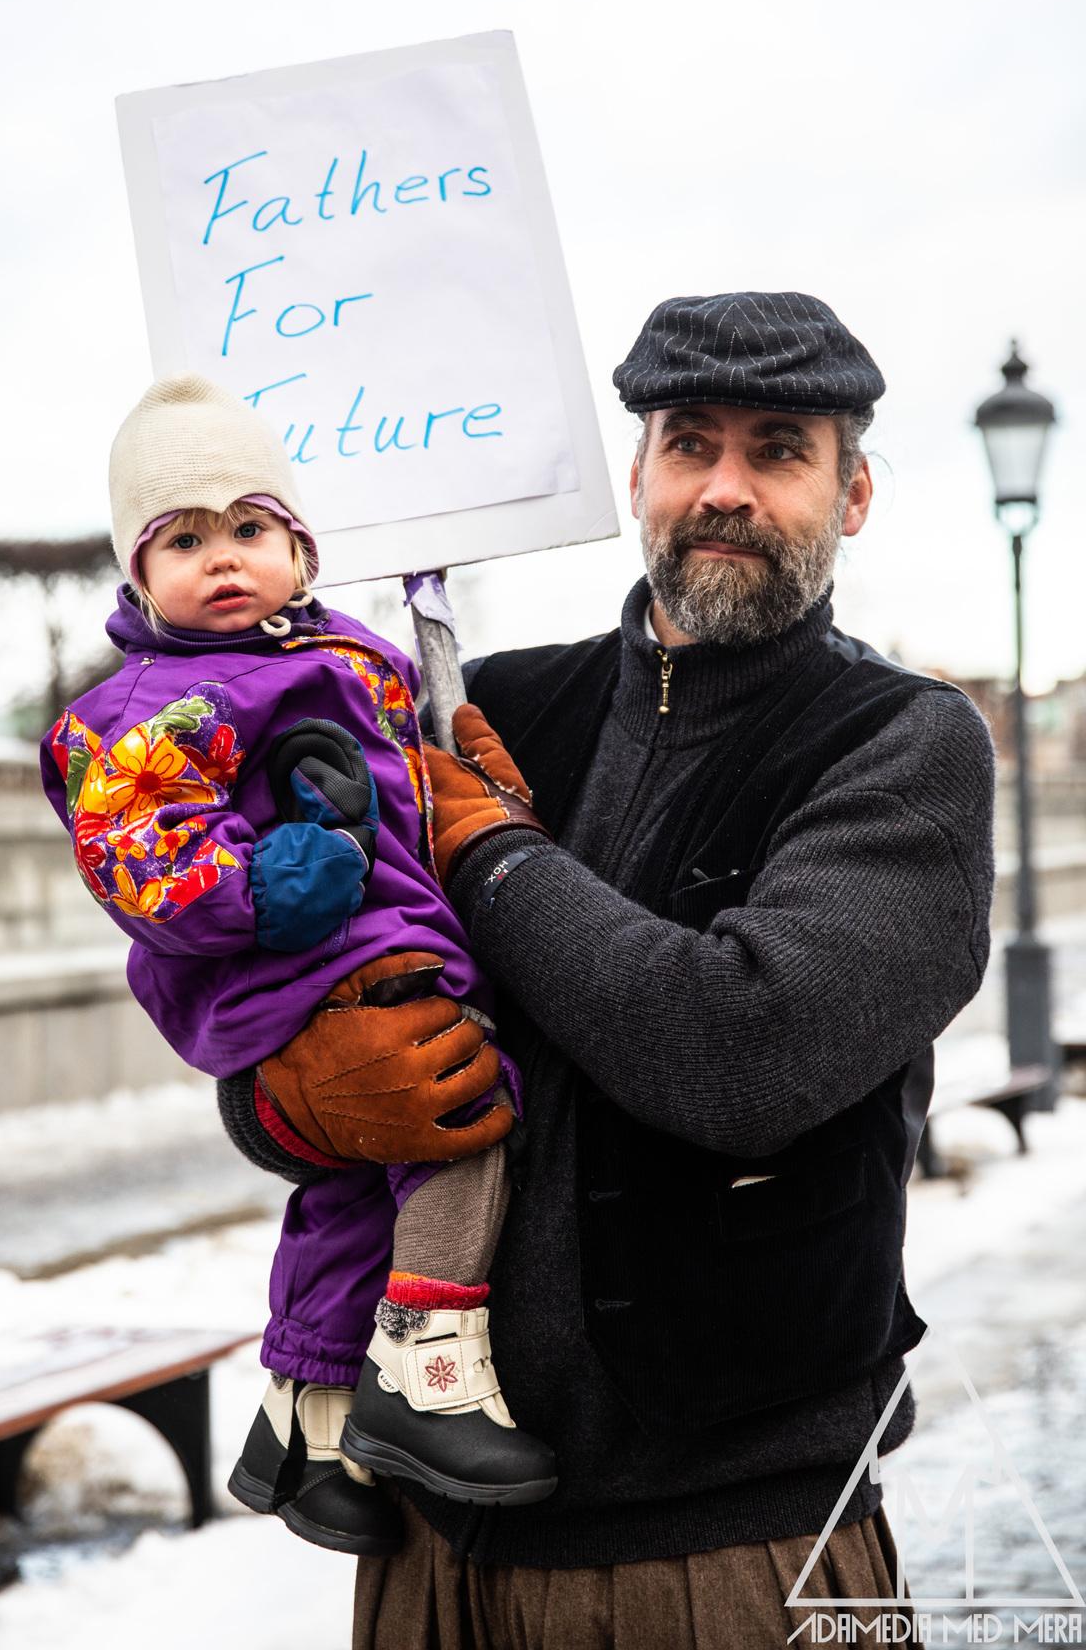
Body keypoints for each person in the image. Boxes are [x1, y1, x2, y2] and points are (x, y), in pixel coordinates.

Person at [219, 293, 997, 1648]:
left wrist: (487, 855)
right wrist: (300, 1100)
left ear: (853, 493)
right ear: (636, 474)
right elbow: (271, 1016)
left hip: (725, 1552)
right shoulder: (495, 707)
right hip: (425, 1548)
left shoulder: (904, 748)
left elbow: (741, 1055)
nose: (727, 490)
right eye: (690, 443)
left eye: (779, 450)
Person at [38, 374, 554, 1563]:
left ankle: (302, 1424)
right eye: (183, 539)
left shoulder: (349, 654)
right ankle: (428, 1376)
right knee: (456, 1128)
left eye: (249, 528)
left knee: (346, 1195)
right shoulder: (150, 707)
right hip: (310, 970)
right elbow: (137, 859)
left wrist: (470, 772)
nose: (223, 559)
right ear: (136, 571)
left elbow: (408, 793)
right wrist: (263, 885)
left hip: (371, 947)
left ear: (300, 547)